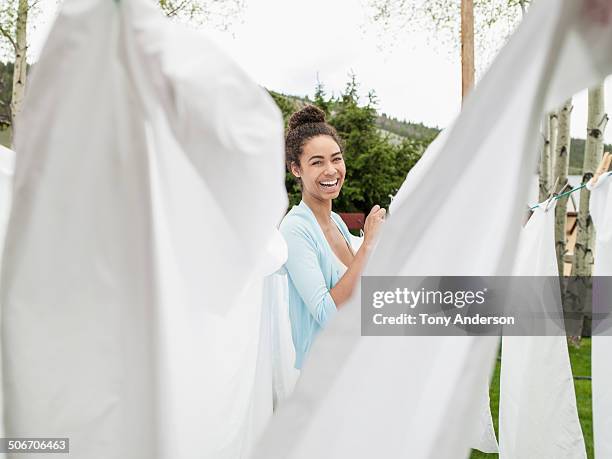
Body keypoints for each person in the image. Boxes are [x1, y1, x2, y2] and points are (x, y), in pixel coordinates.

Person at [279, 105, 386, 369]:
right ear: (296, 169)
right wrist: (369, 244)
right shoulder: (295, 229)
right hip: (324, 376)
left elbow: (357, 290)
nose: (331, 170)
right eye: (317, 162)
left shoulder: (335, 221)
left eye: (336, 159)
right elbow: (328, 314)